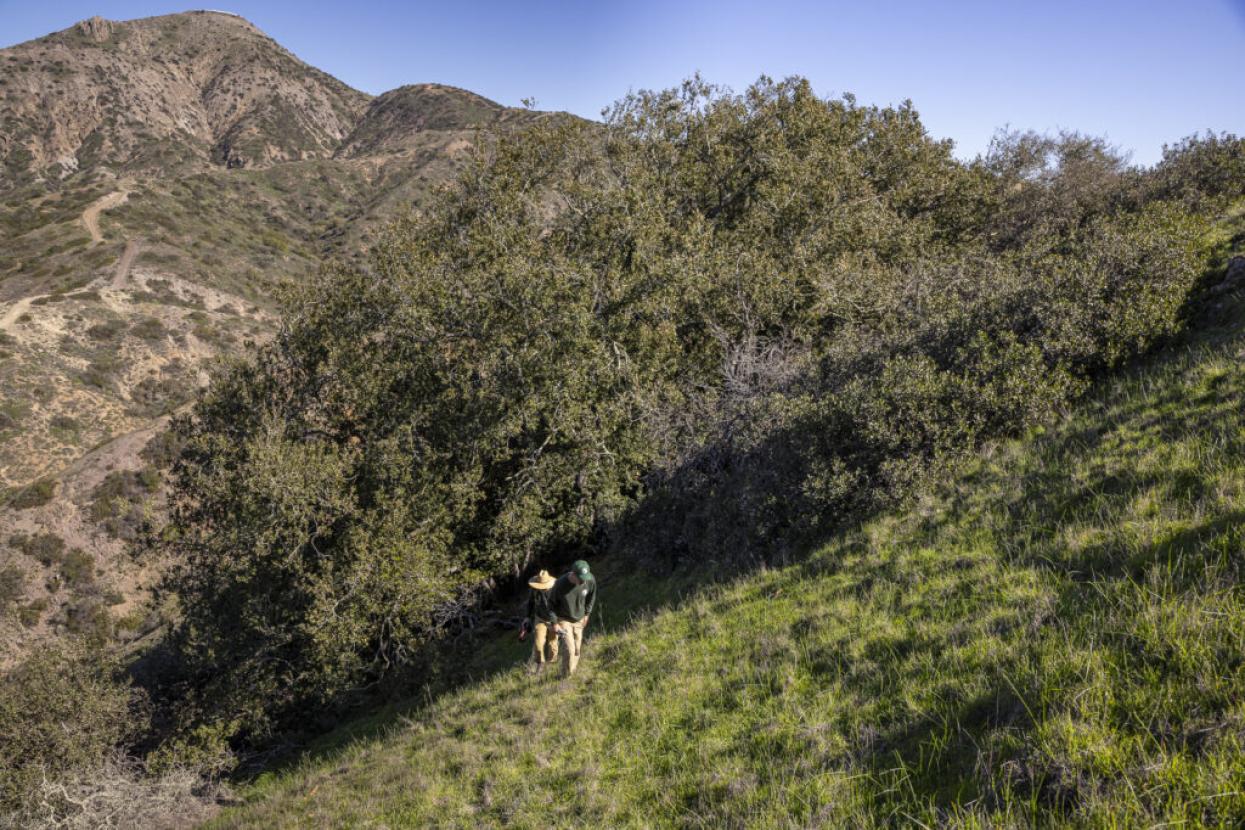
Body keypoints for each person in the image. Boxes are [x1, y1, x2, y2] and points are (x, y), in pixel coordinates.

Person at [549, 559, 596, 677]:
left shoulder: (590, 580)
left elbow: (591, 597)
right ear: (573, 574)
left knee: (577, 651)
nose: (583, 581)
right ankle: (565, 676)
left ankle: (571, 673)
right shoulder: (560, 584)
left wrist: (587, 614)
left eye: (585, 578)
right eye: (580, 578)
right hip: (564, 619)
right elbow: (550, 605)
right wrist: (554, 623)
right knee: (569, 649)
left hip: (579, 619)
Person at [520, 569, 559, 673]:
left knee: (552, 644)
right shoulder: (534, 590)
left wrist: (556, 623)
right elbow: (531, 603)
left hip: (554, 620)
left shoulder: (555, 591)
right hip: (540, 618)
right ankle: (540, 664)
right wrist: (527, 617)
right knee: (538, 643)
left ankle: (551, 664)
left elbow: (559, 607)